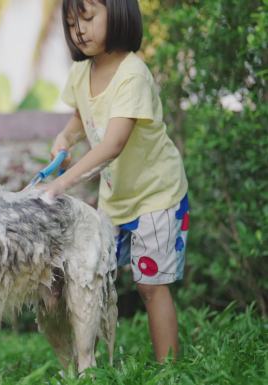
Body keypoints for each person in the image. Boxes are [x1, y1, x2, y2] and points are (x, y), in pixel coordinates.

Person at [41, 0, 189, 363]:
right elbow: (81, 117)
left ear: (119, 13)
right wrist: (65, 138)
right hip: (115, 199)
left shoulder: (132, 74)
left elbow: (112, 144)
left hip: (157, 196)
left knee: (150, 286)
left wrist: (62, 184)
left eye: (88, 18)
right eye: (72, 21)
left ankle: (167, 368)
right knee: (93, 276)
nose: (79, 29)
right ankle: (91, 360)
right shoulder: (80, 73)